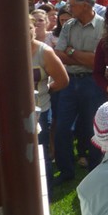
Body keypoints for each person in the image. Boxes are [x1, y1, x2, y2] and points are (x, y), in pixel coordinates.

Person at [54, 0, 106, 183]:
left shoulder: (103, 26)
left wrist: (72, 51)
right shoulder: (68, 25)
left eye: (72, 4)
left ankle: (95, 170)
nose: (69, 8)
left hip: (93, 82)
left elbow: (97, 62)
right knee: (62, 128)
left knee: (94, 128)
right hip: (70, 82)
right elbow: (59, 55)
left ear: (85, 5)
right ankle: (66, 171)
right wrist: (85, 56)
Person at [30, 15, 69, 198]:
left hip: (40, 110)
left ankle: (47, 192)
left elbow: (62, 80)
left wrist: (46, 91)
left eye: (29, 27)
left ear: (34, 29)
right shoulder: (8, 50)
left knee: (41, 152)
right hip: (14, 112)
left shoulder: (44, 52)